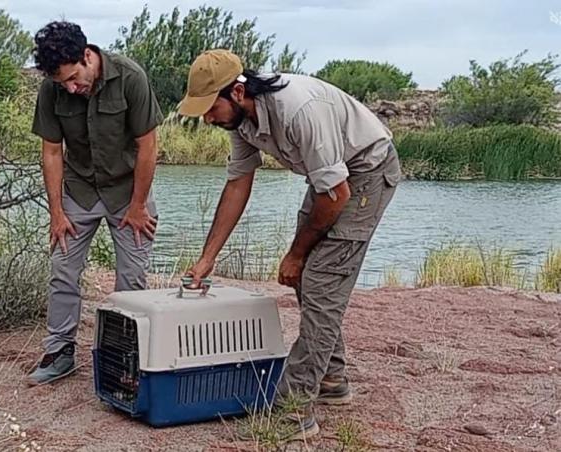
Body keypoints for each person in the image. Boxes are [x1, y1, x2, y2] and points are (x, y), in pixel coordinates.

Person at [180, 49, 401, 439]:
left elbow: (336, 196)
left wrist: (296, 254)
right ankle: (332, 379)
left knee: (319, 281)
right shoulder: (241, 121)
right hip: (333, 180)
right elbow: (237, 184)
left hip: (366, 171)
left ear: (236, 93)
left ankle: (292, 412)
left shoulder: (298, 111)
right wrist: (207, 259)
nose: (206, 118)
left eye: (209, 108)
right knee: (307, 279)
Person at [28, 21, 164, 385]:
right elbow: (52, 152)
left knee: (131, 279)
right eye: (62, 84)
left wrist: (138, 207)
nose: (71, 88)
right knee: (63, 268)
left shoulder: (131, 76)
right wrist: (56, 212)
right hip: (79, 190)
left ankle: (125, 359)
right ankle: (59, 351)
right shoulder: (52, 89)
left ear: (87, 56)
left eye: (74, 78)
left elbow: (148, 147)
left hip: (128, 191)